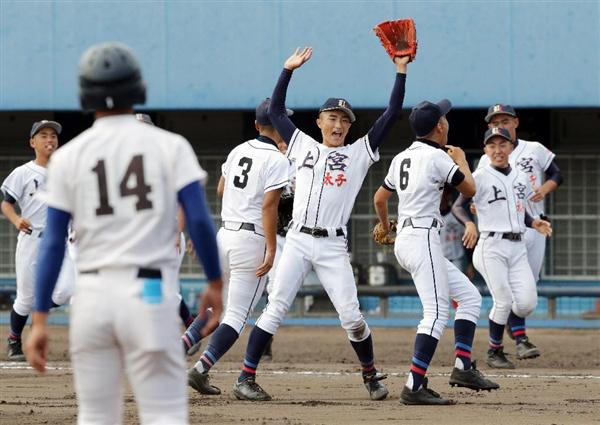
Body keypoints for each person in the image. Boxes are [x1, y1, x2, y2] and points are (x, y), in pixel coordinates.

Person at [25, 42, 223, 425]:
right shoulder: (170, 145)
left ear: (85, 93)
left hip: (92, 297)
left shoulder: (69, 156)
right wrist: (215, 281)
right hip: (149, 291)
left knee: (96, 416)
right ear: (139, 88)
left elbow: (52, 242)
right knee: (164, 414)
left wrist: (41, 318)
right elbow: (198, 220)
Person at [232, 47, 409, 402]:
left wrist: (400, 72)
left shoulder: (359, 153)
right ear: (319, 121)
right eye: (332, 117)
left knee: (352, 316)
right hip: (296, 239)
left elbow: (391, 114)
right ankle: (245, 378)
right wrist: (287, 70)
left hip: (332, 245)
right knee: (275, 307)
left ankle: (371, 375)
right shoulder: (301, 145)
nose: (339, 124)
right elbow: (277, 110)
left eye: (344, 119)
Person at [373, 100, 499, 405]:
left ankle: (463, 366)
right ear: (440, 126)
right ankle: (414, 385)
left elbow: (380, 197)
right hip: (421, 238)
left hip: (407, 236)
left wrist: (385, 225)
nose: (447, 122)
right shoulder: (437, 157)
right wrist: (462, 161)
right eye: (444, 118)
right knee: (438, 312)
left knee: (469, 297)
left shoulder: (401, 157)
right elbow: (469, 189)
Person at [186, 98, 290, 396]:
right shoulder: (278, 159)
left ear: (257, 125)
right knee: (236, 315)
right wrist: (271, 248)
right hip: (251, 239)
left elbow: (221, 189)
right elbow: (270, 206)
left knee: (213, 306)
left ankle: (179, 350)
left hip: (225, 233)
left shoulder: (238, 150)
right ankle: (201, 368)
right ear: (279, 125)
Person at [453, 127, 552, 369]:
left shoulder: (519, 176)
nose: (498, 150)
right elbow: (459, 205)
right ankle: (494, 350)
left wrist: (533, 222)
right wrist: (469, 223)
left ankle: (512, 328)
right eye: (492, 145)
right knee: (504, 299)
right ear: (486, 150)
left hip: (517, 246)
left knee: (527, 303)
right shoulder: (480, 175)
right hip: (491, 245)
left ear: (510, 147)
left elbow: (520, 210)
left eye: (503, 144)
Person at [478, 104, 563, 358]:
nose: (501, 124)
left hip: (533, 224)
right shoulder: (487, 157)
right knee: (507, 292)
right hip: (501, 229)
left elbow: (557, 173)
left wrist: (545, 190)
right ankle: (520, 338)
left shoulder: (533, 149)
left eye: (505, 120)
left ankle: (513, 326)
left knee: (528, 287)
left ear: (516, 122)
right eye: (496, 121)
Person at [2, 120, 76, 361]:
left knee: (66, 290)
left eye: (53, 135)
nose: (49, 140)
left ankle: (39, 314)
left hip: (63, 241)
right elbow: (6, 203)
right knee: (24, 298)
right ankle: (14, 340)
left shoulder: (65, 172)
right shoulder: (23, 172)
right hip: (32, 239)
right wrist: (15, 220)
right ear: (32, 142)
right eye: (43, 135)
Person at [134, 113, 198, 332]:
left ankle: (186, 328)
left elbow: (183, 202)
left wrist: (178, 231)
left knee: (165, 290)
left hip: (167, 234)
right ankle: (188, 326)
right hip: (142, 237)